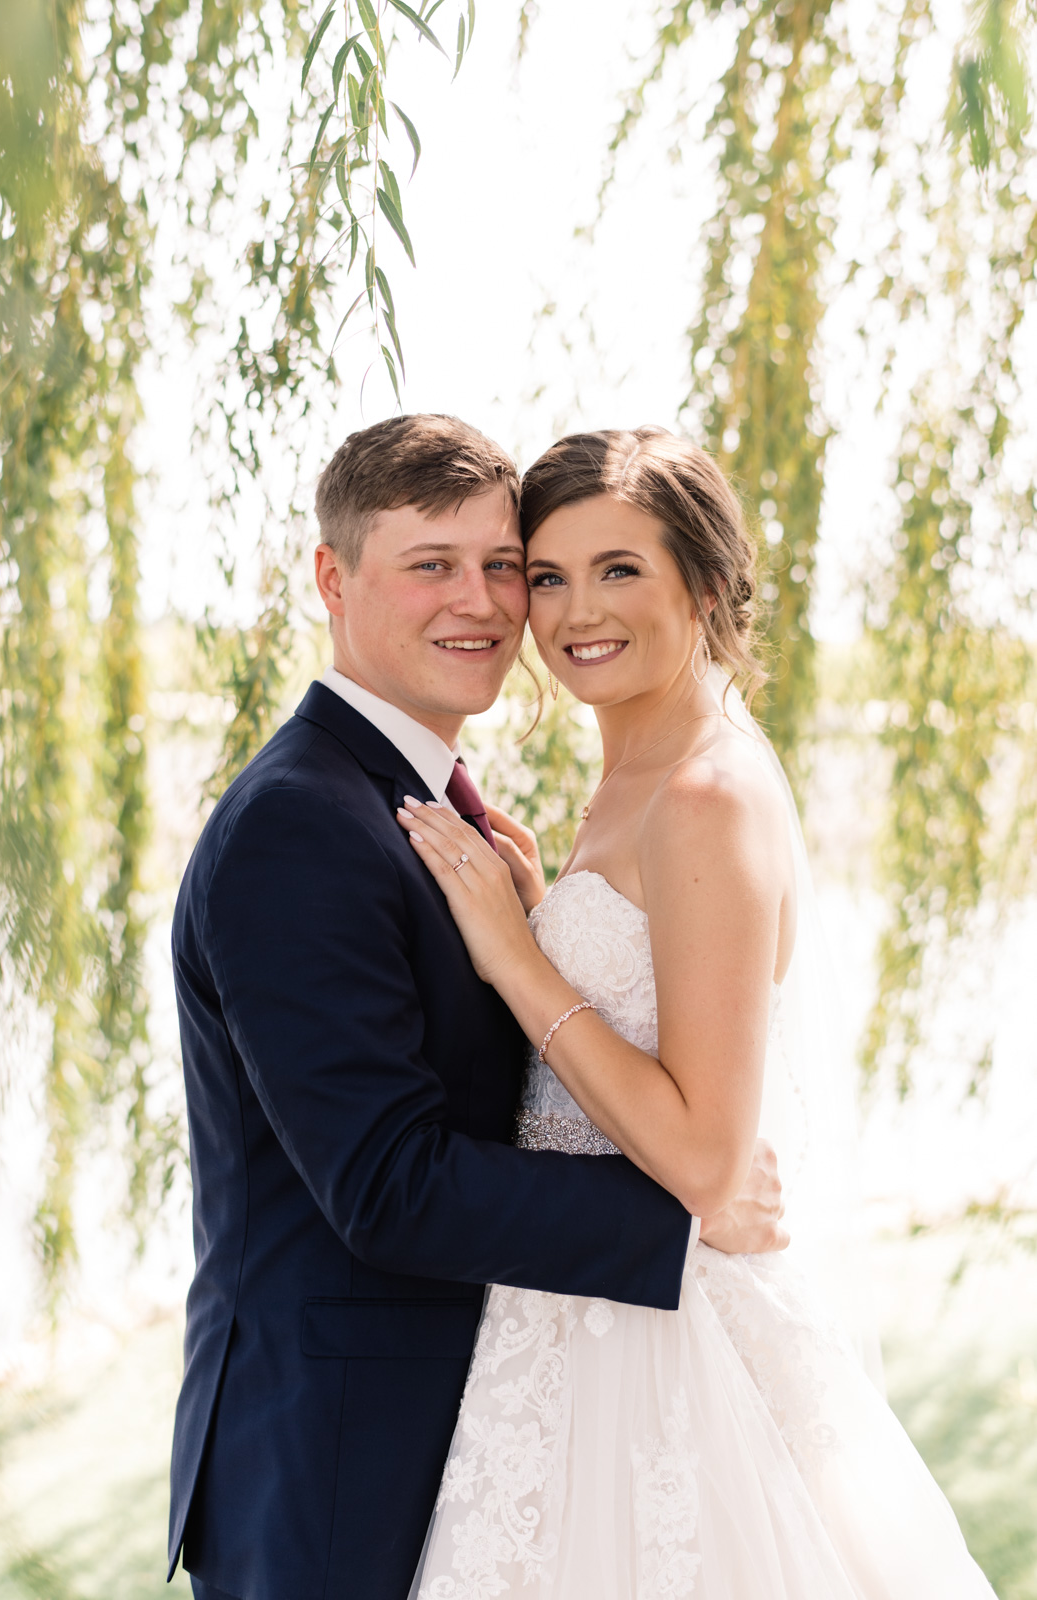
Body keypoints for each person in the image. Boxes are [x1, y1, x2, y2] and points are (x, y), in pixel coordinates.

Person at [167, 415, 786, 1600]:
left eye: (503, 565)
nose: (490, 602)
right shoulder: (299, 824)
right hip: (335, 1462)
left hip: (490, 1426)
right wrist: (683, 1216)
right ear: (332, 580)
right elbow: (386, 1183)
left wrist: (534, 931)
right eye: (431, 565)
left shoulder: (427, 806)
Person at [398, 426, 996, 1599]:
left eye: (619, 569)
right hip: (571, 1317)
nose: (576, 612)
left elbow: (708, 1164)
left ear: (705, 582)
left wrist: (520, 960)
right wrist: (544, 904)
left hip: (665, 1352)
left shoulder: (707, 792)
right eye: (551, 574)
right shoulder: (628, 773)